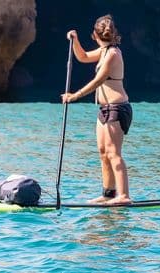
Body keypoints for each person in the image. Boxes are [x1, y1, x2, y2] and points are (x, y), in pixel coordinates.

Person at [61, 14, 132, 205]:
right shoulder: (103, 51)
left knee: (113, 152)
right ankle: (108, 194)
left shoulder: (113, 54)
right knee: (103, 152)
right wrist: (75, 40)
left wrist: (74, 96)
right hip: (104, 109)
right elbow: (82, 56)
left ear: (95, 34)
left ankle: (124, 196)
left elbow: (98, 80)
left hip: (117, 108)